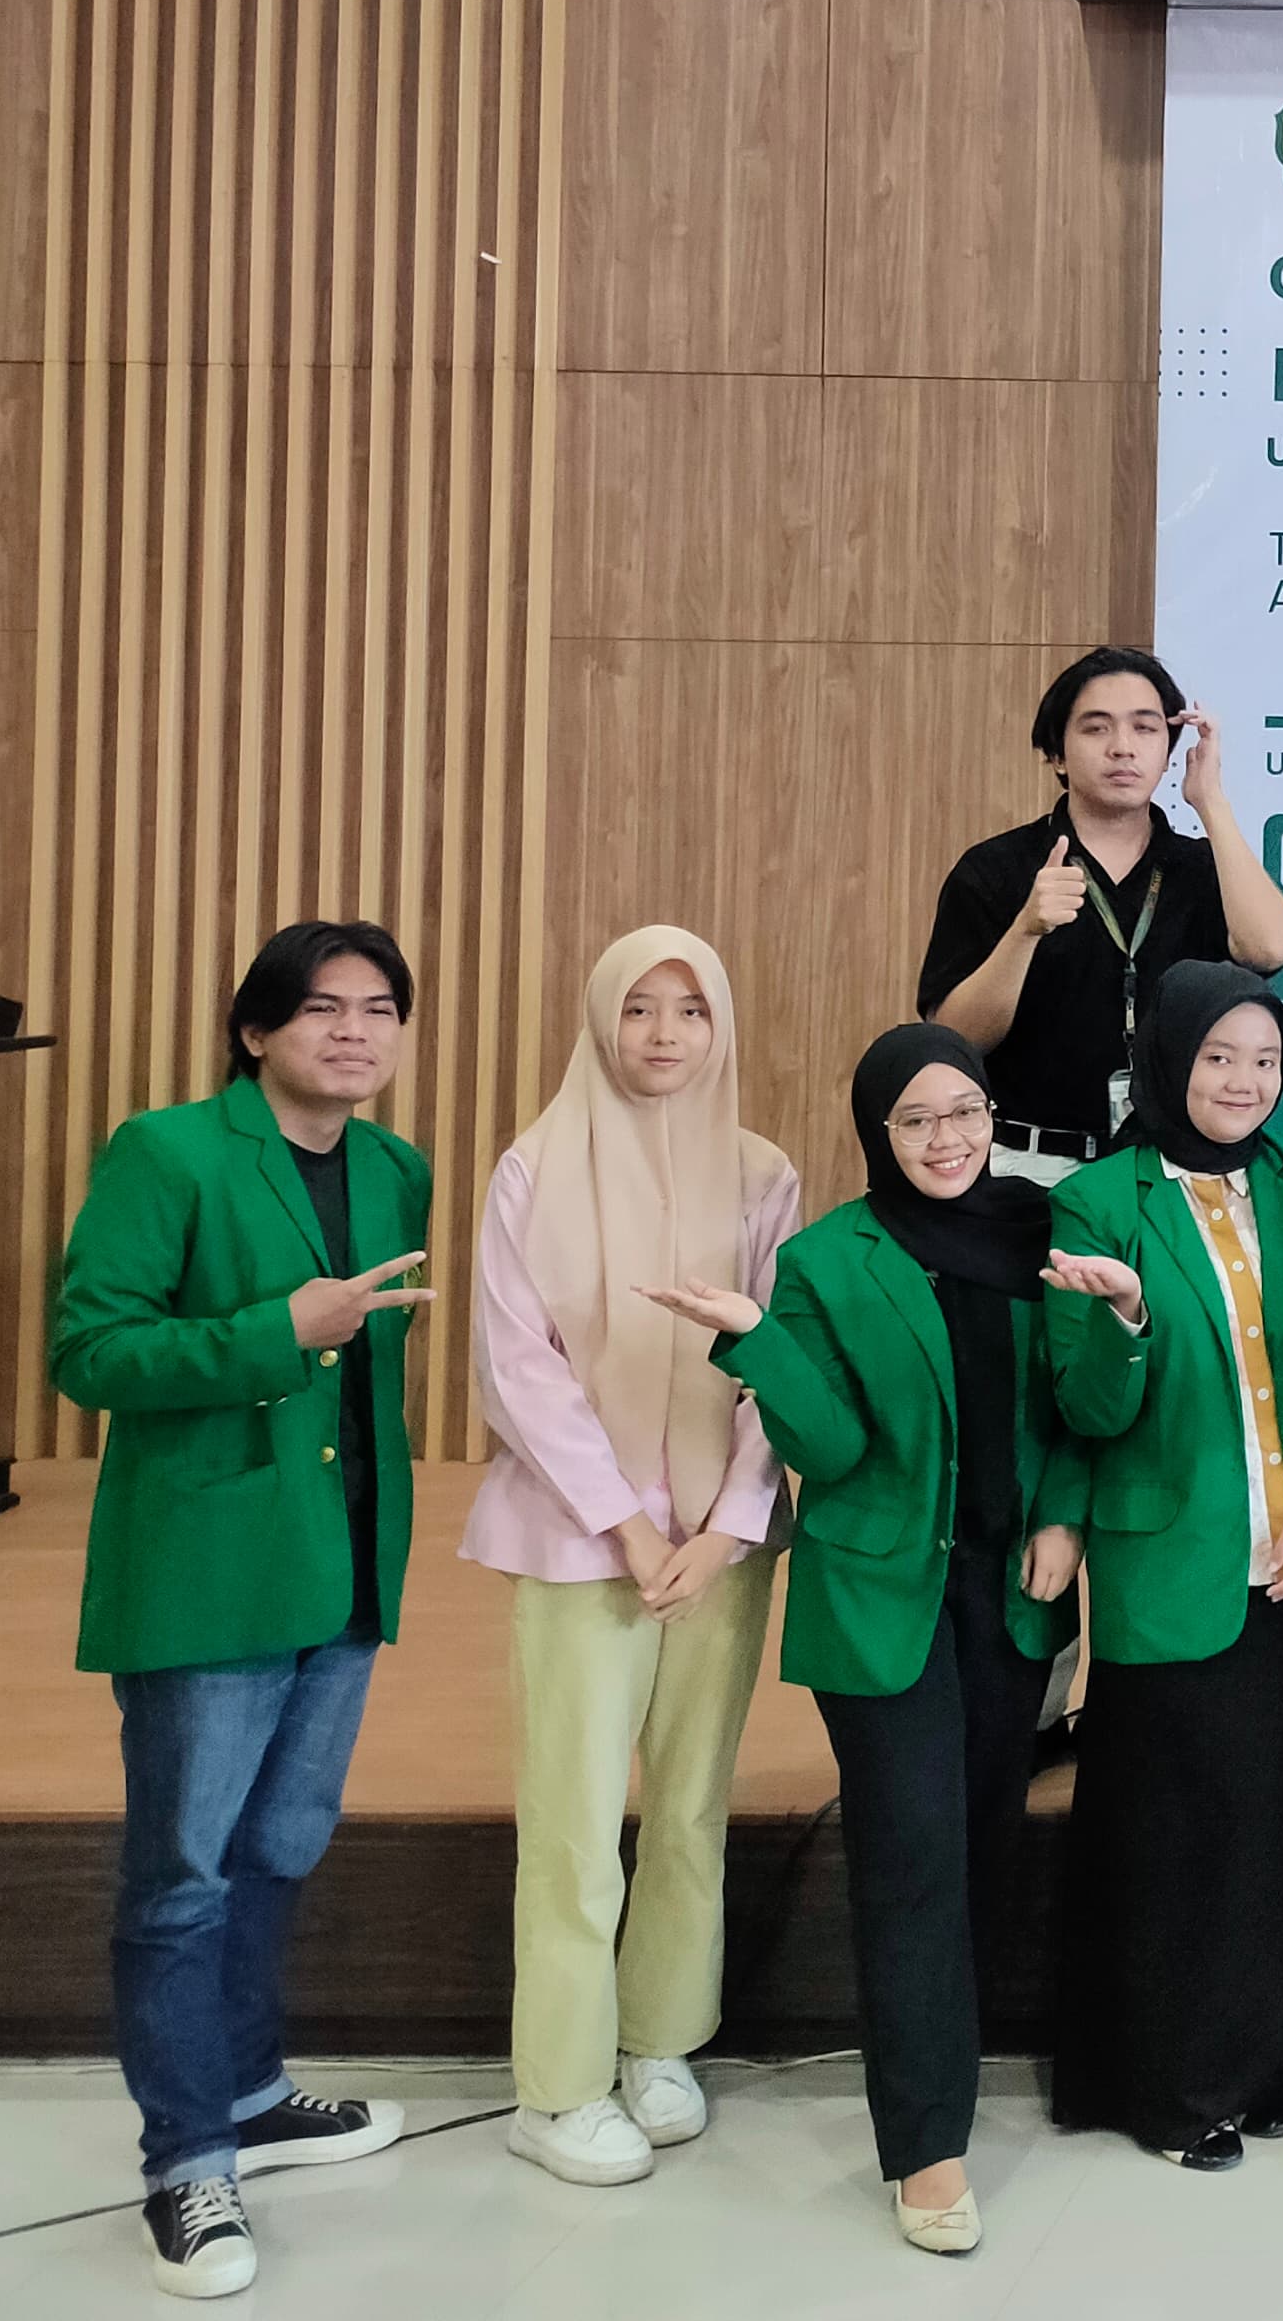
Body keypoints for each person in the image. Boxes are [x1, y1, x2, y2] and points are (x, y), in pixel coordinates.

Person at [636, 1024, 1092, 2259]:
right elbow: (830, 1451)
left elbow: (1073, 1406)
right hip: (882, 1595)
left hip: (1009, 1594)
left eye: (965, 1111)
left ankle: (945, 2059)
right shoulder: (828, 1258)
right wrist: (754, 1335)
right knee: (910, 1854)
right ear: (875, 1132)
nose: (947, 1138)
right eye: (916, 1118)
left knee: (979, 1840)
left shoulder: (1041, 1233)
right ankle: (926, 2145)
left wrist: (1061, 1513)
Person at [51, 922, 432, 2301]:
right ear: (257, 1029)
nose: (353, 1030)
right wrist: (279, 1328)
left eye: (379, 1007)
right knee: (183, 1874)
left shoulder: (395, 1168)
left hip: (343, 1563)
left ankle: (252, 2086)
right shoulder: (169, 1152)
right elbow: (91, 1348)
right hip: (209, 1572)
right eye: (321, 1006)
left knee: (280, 1844)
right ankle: (186, 2156)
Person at [461, 928, 800, 2193]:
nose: (664, 1033)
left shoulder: (762, 1174)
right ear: (602, 1018)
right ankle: (556, 2084)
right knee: (573, 1816)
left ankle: (659, 2037)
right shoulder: (533, 1168)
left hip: (718, 1546)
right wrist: (627, 1520)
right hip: (580, 1542)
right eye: (641, 1007)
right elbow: (517, 1367)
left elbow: (778, 1356)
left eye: (690, 1009)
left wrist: (728, 1523)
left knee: (691, 1805)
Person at [1037, 967, 1283, 2166]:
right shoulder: (1094, 1200)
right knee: (1174, 1835)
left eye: (1265, 1060)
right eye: (1219, 1055)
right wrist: (1121, 1320)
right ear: (1167, 1058)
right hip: (1173, 1566)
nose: (1244, 1081)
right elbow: (1086, 1407)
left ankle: (1274, 2063)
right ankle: (1173, 2088)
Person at [919, 645, 1283, 1183]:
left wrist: (1210, 801)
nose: (1123, 747)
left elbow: (1270, 949)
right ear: (1057, 755)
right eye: (1096, 729)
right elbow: (955, 1038)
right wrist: (1025, 930)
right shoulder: (996, 868)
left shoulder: (1204, 868)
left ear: (1168, 751)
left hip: (1171, 1167)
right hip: (1029, 1164)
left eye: (1145, 728)